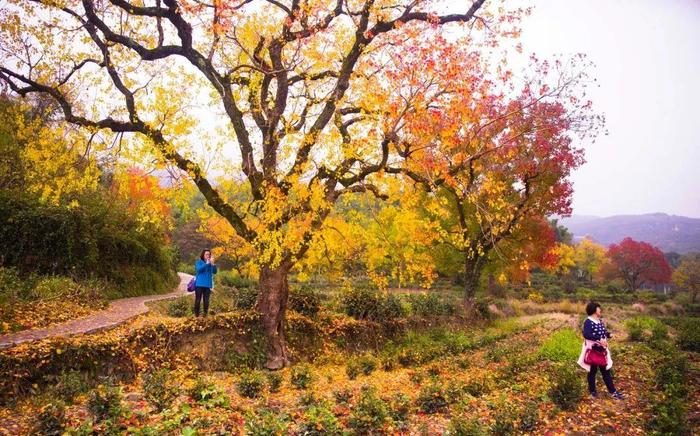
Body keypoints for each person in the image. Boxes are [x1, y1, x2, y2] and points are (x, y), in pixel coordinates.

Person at [577, 301, 624, 399]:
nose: (600, 310)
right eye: (599, 308)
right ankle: (593, 392)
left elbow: (603, 332)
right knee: (592, 371)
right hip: (593, 351)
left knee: (605, 370)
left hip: (602, 351)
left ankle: (612, 392)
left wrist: (608, 335)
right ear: (594, 310)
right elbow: (586, 334)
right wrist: (599, 339)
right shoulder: (588, 321)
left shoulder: (599, 321)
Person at [193, 249, 217, 317]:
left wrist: (213, 264)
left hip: (207, 284)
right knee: (198, 300)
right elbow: (198, 270)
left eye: (209, 255)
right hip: (199, 284)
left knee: (206, 301)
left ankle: (205, 315)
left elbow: (214, 272)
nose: (208, 256)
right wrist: (206, 264)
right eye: (206, 254)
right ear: (203, 255)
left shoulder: (210, 263)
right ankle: (196, 315)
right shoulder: (199, 262)